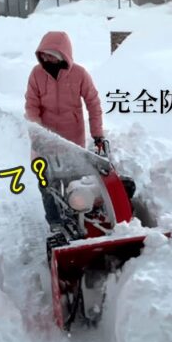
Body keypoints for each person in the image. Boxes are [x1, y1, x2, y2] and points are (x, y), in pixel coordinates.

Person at [24, 31, 105, 233]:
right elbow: (31, 108)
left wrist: (98, 134)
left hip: (72, 140)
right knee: (46, 183)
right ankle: (55, 222)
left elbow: (93, 104)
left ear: (63, 54)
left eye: (51, 54)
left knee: (72, 181)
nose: (46, 58)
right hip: (44, 142)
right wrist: (37, 137)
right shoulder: (36, 74)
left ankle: (74, 214)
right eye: (44, 54)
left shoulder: (79, 74)